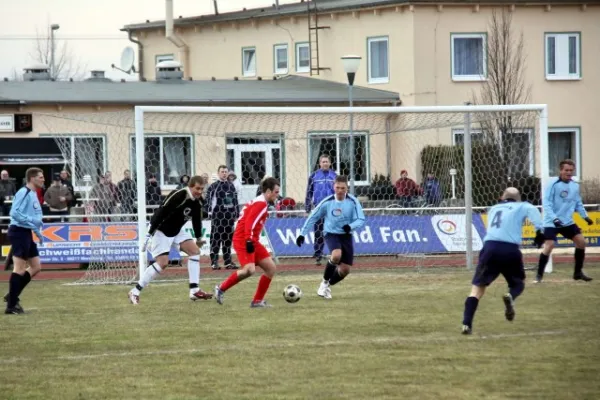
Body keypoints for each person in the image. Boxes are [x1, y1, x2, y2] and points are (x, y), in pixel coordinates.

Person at [461, 187, 545, 335]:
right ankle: (511, 296)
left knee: (477, 289)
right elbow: (534, 212)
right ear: (518, 199)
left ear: (501, 197)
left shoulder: (493, 209)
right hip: (510, 249)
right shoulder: (523, 205)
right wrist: (539, 232)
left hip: (489, 248)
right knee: (518, 283)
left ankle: (466, 324)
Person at [128, 175, 212, 305]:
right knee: (163, 263)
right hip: (160, 230)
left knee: (195, 251)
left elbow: (196, 219)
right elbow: (161, 212)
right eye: (197, 188)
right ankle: (135, 291)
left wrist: (199, 237)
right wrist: (149, 234)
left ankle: (194, 290)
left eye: (202, 189)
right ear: (190, 186)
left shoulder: (198, 200)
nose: (200, 191)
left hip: (176, 231)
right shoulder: (179, 195)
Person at [213, 177, 281, 308]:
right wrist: (249, 240)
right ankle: (220, 288)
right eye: (276, 192)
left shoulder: (260, 202)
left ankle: (257, 301)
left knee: (270, 268)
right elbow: (249, 222)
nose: (278, 195)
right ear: (268, 191)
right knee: (249, 270)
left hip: (251, 239)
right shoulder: (260, 204)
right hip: (244, 239)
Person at [296, 175, 366, 299]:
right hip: (331, 233)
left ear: (347, 189)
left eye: (343, 188)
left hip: (346, 235)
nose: (340, 190)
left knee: (345, 270)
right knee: (336, 255)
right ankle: (323, 283)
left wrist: (350, 226)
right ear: (334, 187)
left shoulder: (353, 201)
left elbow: (361, 219)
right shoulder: (327, 202)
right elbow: (313, 216)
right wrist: (302, 234)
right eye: (337, 187)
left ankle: (327, 286)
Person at [535, 159, 594, 283]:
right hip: (551, 221)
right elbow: (547, 204)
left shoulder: (575, 185)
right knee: (549, 246)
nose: (569, 172)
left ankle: (577, 273)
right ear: (561, 170)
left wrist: (585, 216)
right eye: (566, 170)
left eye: (571, 170)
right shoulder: (553, 184)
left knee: (581, 242)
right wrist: (555, 218)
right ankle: (539, 276)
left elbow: (577, 202)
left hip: (567, 222)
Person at [4, 167, 45, 314]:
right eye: (41, 177)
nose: (43, 179)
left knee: (36, 267)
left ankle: (12, 296)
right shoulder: (24, 192)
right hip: (19, 232)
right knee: (19, 269)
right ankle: (11, 306)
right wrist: (33, 221)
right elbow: (14, 213)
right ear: (32, 178)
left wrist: (37, 232)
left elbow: (34, 218)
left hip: (26, 232)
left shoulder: (33, 193)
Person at [305, 155, 337, 265]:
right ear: (320, 163)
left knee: (333, 231)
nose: (325, 164)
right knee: (318, 232)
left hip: (331, 208)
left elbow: (340, 192)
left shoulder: (334, 176)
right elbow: (309, 192)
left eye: (327, 162)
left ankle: (336, 254)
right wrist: (307, 205)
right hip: (318, 208)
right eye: (323, 162)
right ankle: (318, 254)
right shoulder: (314, 176)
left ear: (330, 163)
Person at [206, 165, 239, 270]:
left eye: (226, 172)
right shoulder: (214, 186)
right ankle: (214, 262)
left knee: (228, 240)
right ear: (218, 173)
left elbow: (235, 200)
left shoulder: (231, 186)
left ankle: (228, 262)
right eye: (222, 172)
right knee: (216, 240)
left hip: (229, 217)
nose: (224, 173)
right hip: (218, 217)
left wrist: (236, 213)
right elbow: (208, 200)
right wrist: (207, 212)